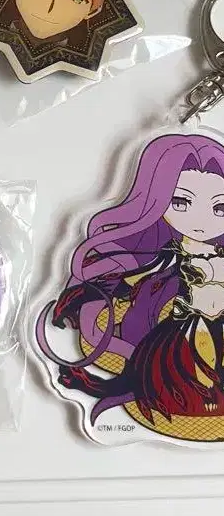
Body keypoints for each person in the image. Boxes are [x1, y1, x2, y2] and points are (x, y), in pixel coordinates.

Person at [37, 133, 224, 440]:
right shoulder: (156, 262)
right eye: (181, 202)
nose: (202, 220)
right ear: (155, 198)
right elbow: (117, 296)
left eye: (220, 208)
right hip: (176, 351)